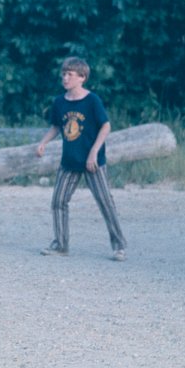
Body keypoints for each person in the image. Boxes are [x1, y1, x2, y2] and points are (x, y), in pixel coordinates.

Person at [35, 56, 127, 261]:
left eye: (70, 74)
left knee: (105, 201)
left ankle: (119, 246)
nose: (65, 77)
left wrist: (94, 152)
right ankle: (61, 244)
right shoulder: (59, 102)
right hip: (69, 161)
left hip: (92, 162)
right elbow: (57, 126)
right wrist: (43, 142)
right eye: (63, 73)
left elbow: (106, 126)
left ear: (82, 77)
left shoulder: (92, 100)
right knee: (58, 201)